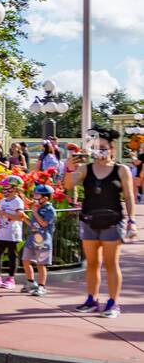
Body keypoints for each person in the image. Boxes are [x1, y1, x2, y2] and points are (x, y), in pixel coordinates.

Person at [63, 127, 137, 318]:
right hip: (89, 220)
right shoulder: (85, 169)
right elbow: (69, 186)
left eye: (103, 148)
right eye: (96, 148)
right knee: (92, 263)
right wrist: (70, 167)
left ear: (112, 148)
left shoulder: (121, 170)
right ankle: (91, 299)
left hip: (112, 221)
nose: (100, 152)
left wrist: (132, 221)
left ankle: (113, 303)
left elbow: (129, 197)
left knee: (111, 263)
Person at [0, 174, 26, 289]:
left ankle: (11, 279)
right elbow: (0, 216)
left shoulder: (18, 202)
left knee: (12, 256)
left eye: (6, 187)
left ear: (14, 188)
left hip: (13, 234)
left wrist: (6, 214)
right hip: (2, 233)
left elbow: (21, 217)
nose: (3, 190)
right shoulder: (3, 201)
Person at [21, 183, 57, 296]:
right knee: (25, 260)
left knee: (41, 265)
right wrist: (24, 218)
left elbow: (44, 223)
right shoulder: (38, 207)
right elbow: (33, 225)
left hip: (44, 242)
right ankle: (31, 282)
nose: (34, 198)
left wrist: (35, 212)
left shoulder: (50, 210)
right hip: (32, 239)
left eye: (37, 195)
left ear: (45, 198)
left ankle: (42, 287)